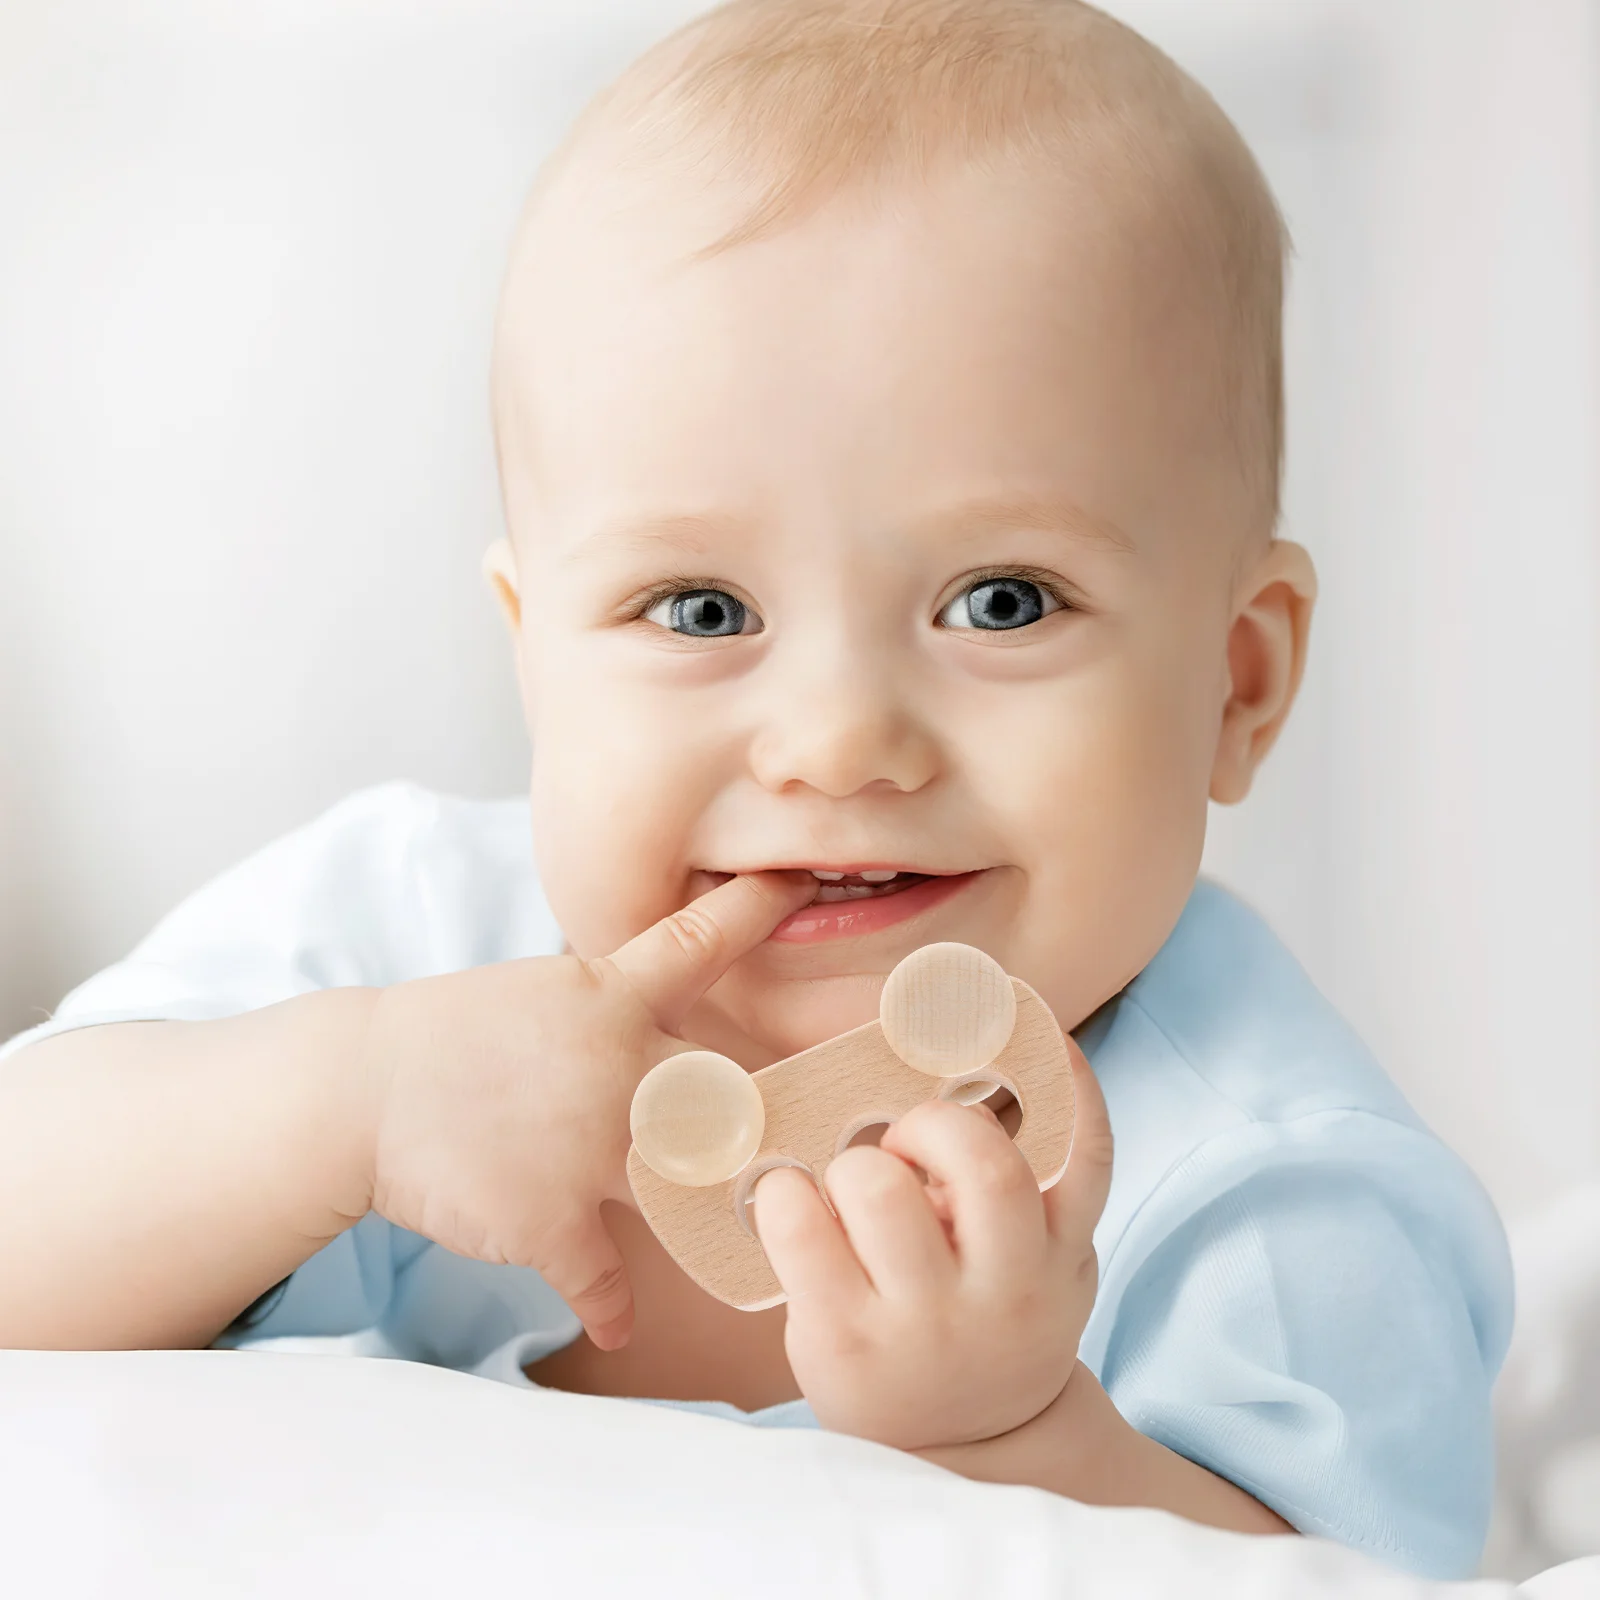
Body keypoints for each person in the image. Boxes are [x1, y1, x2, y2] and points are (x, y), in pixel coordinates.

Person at [0, 0, 1511, 1577]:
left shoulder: (1272, 1194)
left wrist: (1015, 1442)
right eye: (703, 611)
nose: (839, 742)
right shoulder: (403, 941)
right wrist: (345, 1105)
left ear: (1239, 680)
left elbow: (1345, 1573)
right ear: (536, 664)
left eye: (1000, 601)